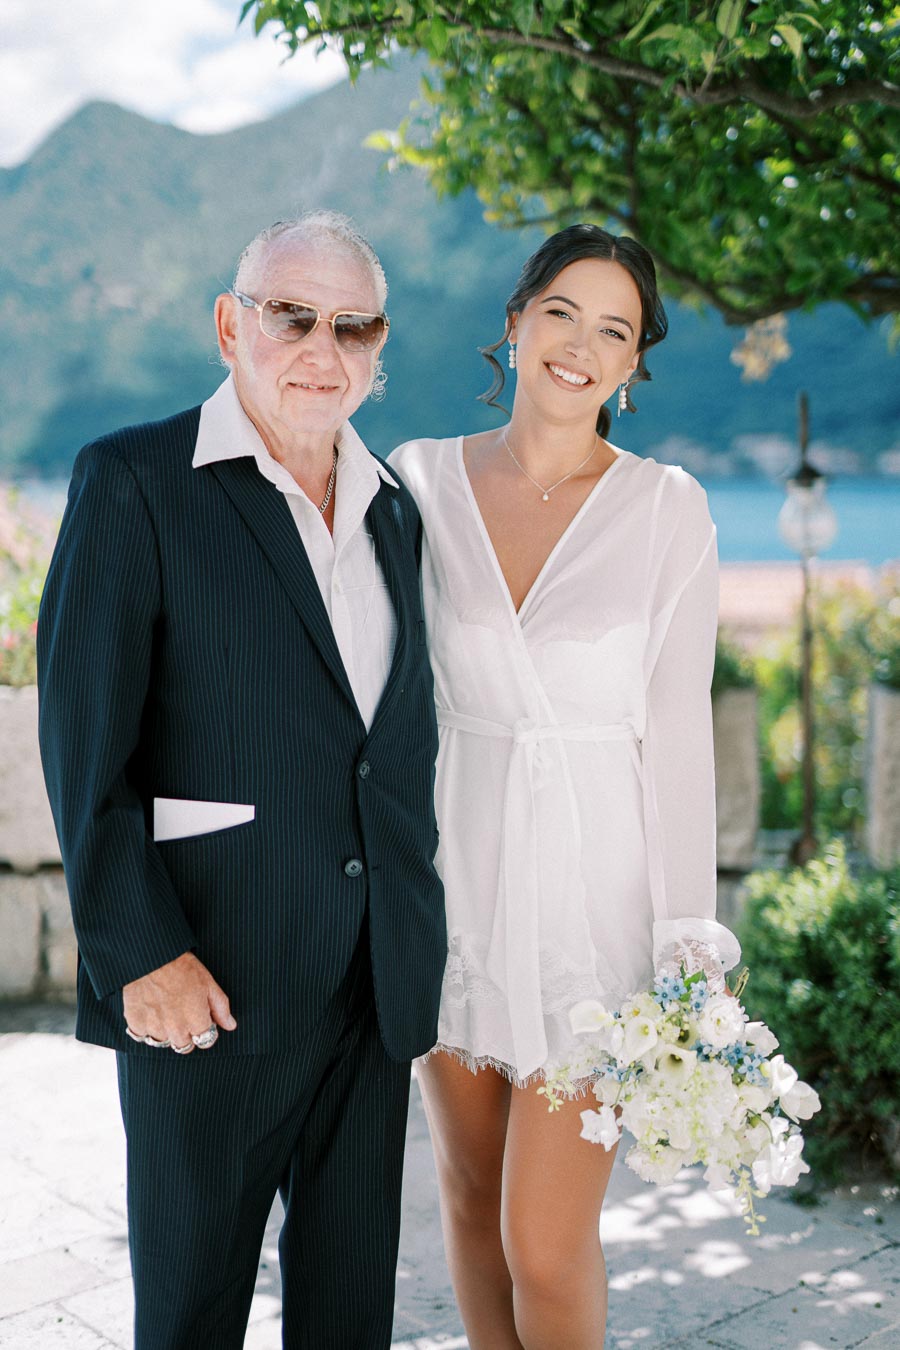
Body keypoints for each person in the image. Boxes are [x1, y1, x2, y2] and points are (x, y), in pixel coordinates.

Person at [37, 210, 446, 1350]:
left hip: (372, 991)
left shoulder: (396, 514)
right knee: (191, 1313)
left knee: (348, 1315)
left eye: (354, 327)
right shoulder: (134, 480)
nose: (324, 348)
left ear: (378, 353)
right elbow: (86, 750)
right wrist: (139, 955)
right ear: (231, 325)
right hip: (206, 982)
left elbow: (384, 746)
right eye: (292, 315)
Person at [389, 223, 741, 1349]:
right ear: (514, 321)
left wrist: (689, 941)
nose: (582, 344)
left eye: (616, 329)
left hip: (595, 904)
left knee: (545, 1241)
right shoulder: (420, 480)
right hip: (455, 875)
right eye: (562, 313)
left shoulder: (666, 507)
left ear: (635, 365)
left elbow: (679, 730)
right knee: (467, 1199)